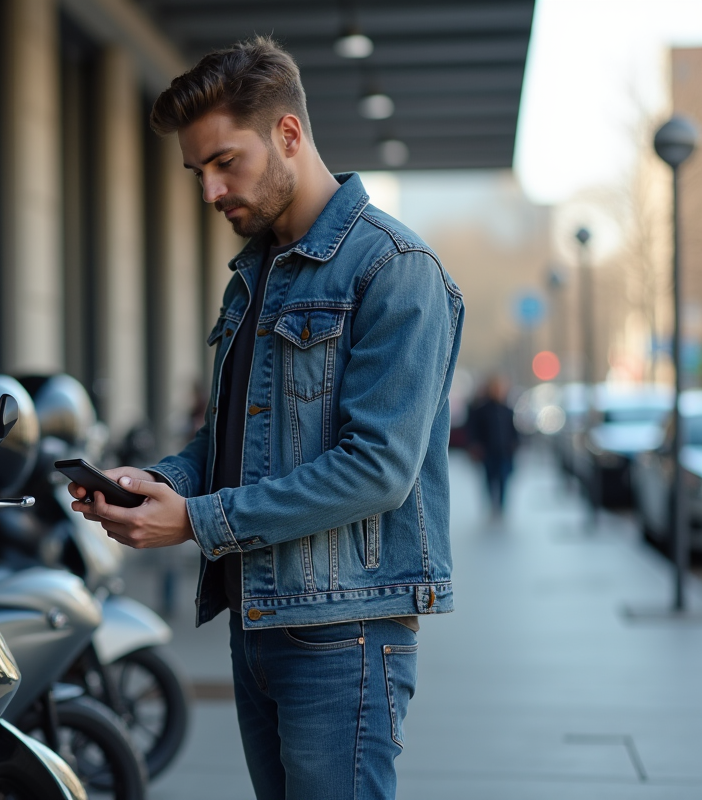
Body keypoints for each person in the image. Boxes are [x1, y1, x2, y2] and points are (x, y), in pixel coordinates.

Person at [66, 37, 464, 800]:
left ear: (288, 134)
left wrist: (198, 521)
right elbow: (233, 443)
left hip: (344, 636)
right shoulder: (256, 278)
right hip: (261, 623)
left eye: (225, 162)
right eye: (197, 171)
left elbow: (377, 468)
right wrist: (153, 483)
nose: (211, 191)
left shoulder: (395, 270)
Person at [467, 375, 519, 516]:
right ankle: (492, 504)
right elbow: (474, 430)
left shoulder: (507, 410)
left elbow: (513, 431)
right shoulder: (482, 410)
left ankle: (501, 506)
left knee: (503, 479)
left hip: (504, 452)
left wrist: (514, 445)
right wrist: (475, 446)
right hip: (488, 452)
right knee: (489, 479)